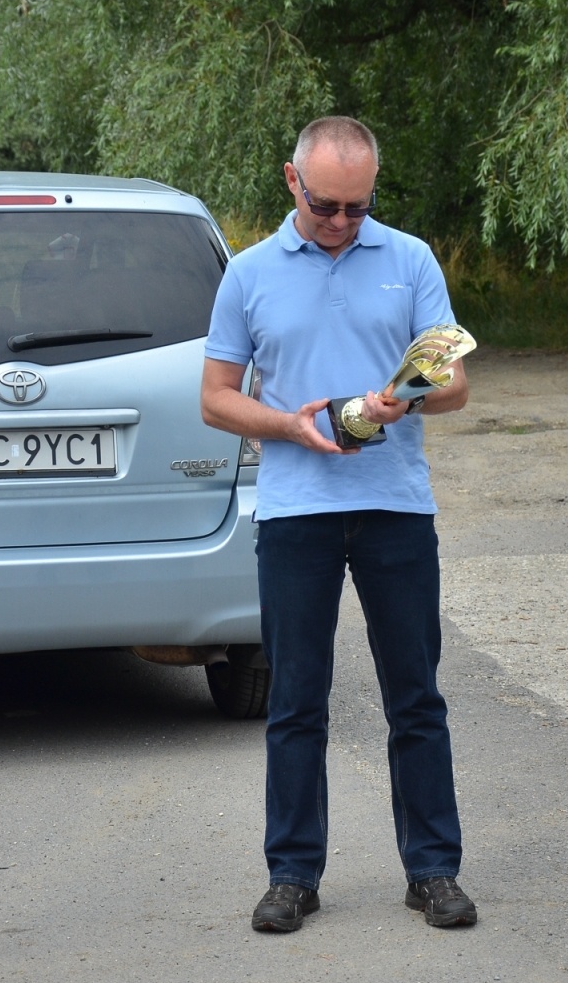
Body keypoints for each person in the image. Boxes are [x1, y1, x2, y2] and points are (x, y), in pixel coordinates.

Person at [201, 115, 477, 934]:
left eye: (358, 207)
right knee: (294, 700)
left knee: (416, 698)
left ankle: (433, 871)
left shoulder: (411, 259)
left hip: (395, 504)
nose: (342, 222)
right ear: (292, 180)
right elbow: (215, 397)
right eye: (327, 205)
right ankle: (292, 874)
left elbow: (455, 381)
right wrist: (288, 426)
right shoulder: (248, 273)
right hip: (296, 510)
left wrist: (405, 398)